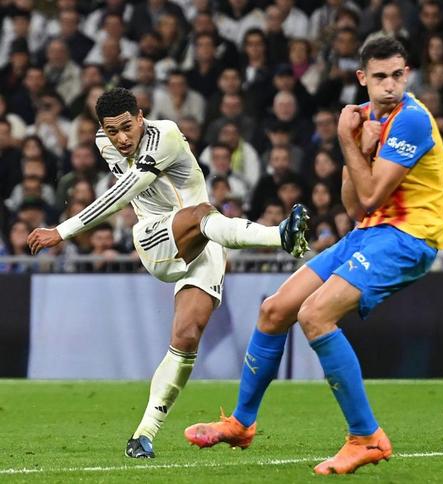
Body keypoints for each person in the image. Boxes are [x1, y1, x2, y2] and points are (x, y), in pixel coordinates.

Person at [184, 36, 443, 475]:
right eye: (379, 77)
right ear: (362, 78)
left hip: (409, 236)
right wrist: (357, 146)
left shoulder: (412, 120)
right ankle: (241, 423)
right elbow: (356, 206)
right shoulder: (364, 118)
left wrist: (347, 140)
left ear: (407, 75)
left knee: (315, 315)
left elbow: (371, 194)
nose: (389, 85)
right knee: (275, 310)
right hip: (368, 232)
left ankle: (366, 437)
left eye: (397, 75)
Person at [26, 87, 310, 459]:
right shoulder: (103, 144)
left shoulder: (167, 136)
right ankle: (280, 236)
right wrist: (63, 232)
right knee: (202, 213)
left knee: (186, 336)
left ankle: (143, 435)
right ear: (102, 130)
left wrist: (61, 229)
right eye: (112, 131)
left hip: (206, 241)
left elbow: (126, 189)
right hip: (154, 238)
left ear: (141, 117)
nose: (121, 138)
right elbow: (125, 195)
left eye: (127, 127)